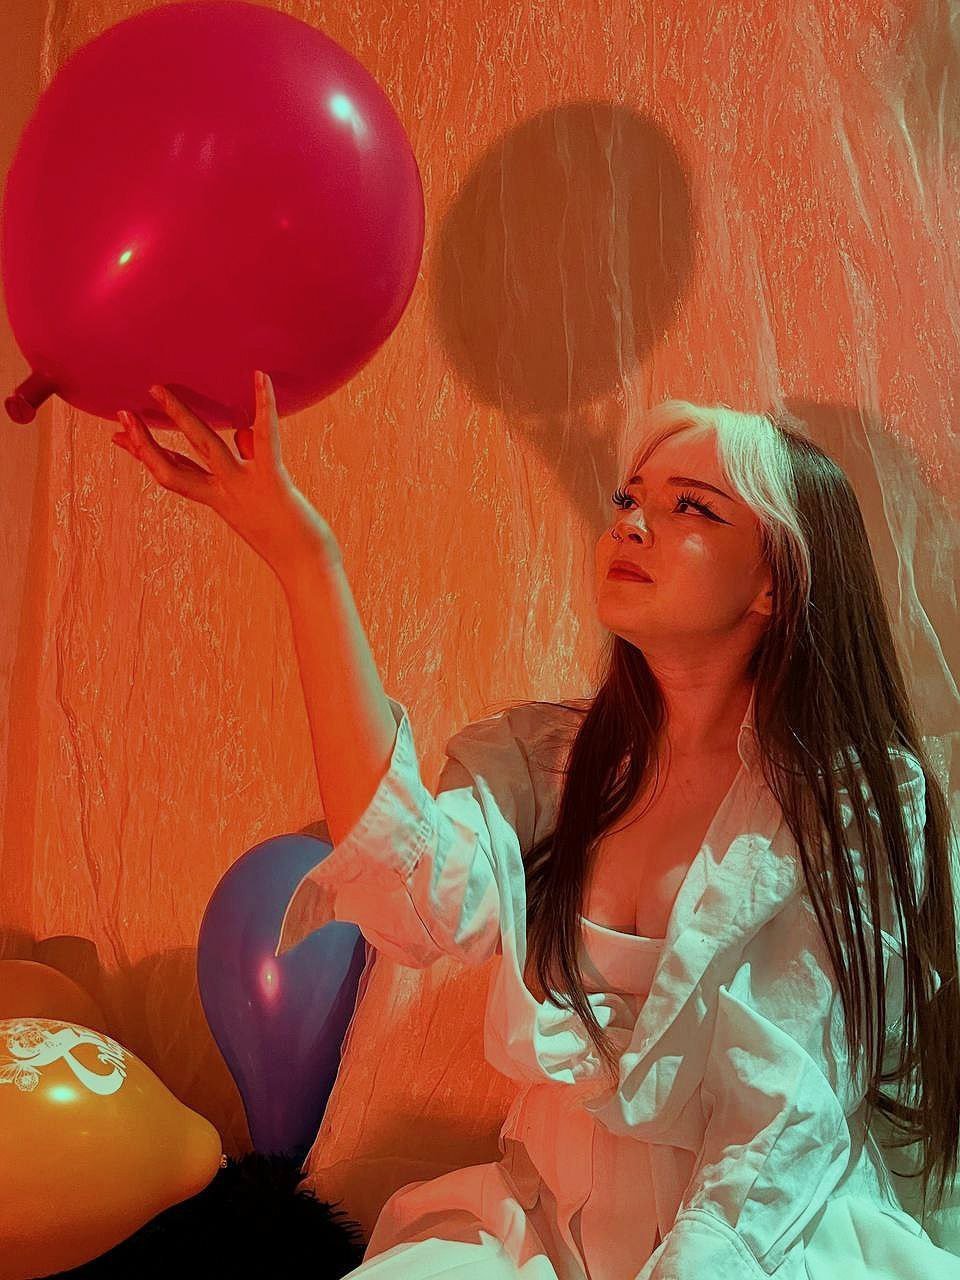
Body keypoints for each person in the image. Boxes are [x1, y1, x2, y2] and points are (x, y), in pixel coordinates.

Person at [113, 378, 960, 1278]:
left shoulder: (847, 804)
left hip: (759, 1236)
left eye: (690, 508)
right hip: (540, 1225)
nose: (630, 525)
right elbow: (410, 896)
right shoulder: (546, 761)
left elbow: (787, 1106)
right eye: (628, 500)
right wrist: (305, 561)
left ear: (774, 584)